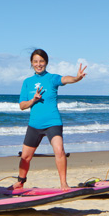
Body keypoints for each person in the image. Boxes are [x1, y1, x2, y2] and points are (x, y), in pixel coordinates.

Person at [13, 49, 86, 190]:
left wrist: (77, 78)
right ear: (31, 63)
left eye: (41, 61)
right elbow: (22, 106)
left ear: (46, 62)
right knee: (26, 157)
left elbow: (65, 79)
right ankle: (20, 181)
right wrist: (33, 100)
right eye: (35, 61)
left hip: (53, 123)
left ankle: (63, 183)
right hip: (34, 125)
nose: (38, 64)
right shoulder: (27, 82)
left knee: (59, 151)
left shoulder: (52, 78)